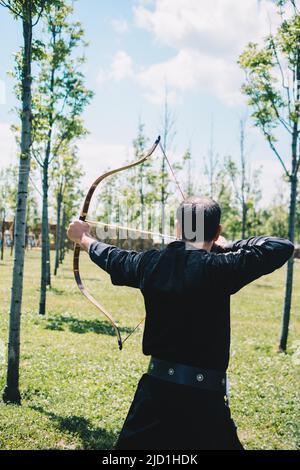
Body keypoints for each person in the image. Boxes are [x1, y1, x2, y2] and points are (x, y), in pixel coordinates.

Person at [67, 196, 294, 450]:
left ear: (177, 228)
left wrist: (83, 238)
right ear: (217, 231)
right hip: (205, 403)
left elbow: (111, 256)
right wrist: (228, 247)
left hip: (154, 398)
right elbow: (280, 246)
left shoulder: (149, 263)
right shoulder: (222, 267)